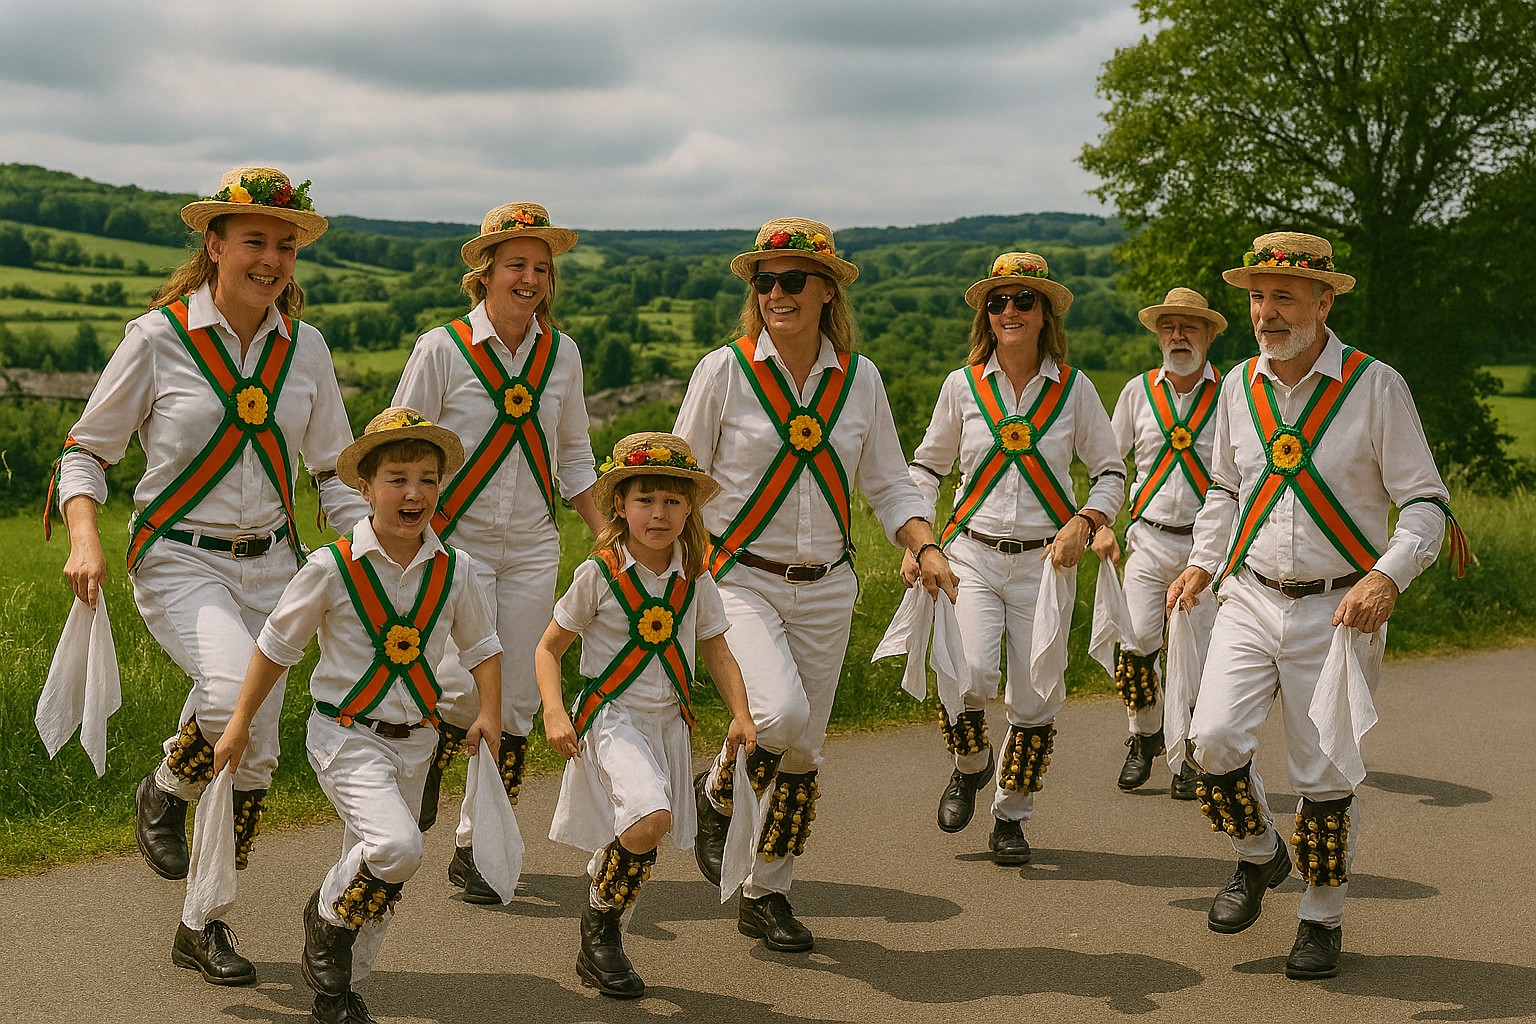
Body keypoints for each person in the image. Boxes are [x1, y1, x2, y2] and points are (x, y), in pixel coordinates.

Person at [49, 166, 367, 985]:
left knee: (254, 759)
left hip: (277, 569)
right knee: (232, 698)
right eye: (254, 240)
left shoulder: (308, 349)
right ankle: (165, 785)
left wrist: (373, 544)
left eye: (284, 245)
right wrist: (84, 538)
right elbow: (86, 451)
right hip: (180, 558)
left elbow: (333, 472)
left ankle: (204, 920)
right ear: (215, 245)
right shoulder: (156, 338)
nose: (270, 258)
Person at [1166, 231, 1465, 980]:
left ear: (1324, 301)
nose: (1266, 312)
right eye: (1258, 297)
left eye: (1284, 297)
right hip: (1249, 596)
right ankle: (1260, 857)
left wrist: (1387, 576)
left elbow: (1426, 502)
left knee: (1324, 772)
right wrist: (1203, 565)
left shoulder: (1376, 386)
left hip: (1338, 611)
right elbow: (1227, 490)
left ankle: (1322, 917)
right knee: (1212, 743)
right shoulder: (1237, 385)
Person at [675, 217, 955, 952]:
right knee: (778, 715)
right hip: (738, 579)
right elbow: (683, 483)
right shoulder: (724, 372)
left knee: (804, 752)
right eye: (764, 280)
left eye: (793, 279)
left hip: (827, 587)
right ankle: (719, 793)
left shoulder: (860, 380)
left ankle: (767, 892)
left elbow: (891, 484)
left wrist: (923, 544)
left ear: (828, 290)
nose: (776, 292)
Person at [213, 407, 502, 1024]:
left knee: (381, 877)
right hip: (346, 737)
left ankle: (338, 994)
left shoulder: (457, 569)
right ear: (364, 488)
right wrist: (239, 720)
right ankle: (326, 914)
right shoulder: (330, 567)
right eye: (397, 478)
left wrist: (490, 715)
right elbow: (275, 647)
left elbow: (482, 648)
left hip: (419, 742)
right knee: (396, 848)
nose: (414, 492)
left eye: (428, 478)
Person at [392, 202, 605, 903]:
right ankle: (423, 766)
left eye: (542, 268)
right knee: (459, 686)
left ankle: (476, 848)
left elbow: (572, 454)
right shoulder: (442, 349)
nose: (531, 278)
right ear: (483, 272)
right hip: (456, 541)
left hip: (533, 545)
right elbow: (402, 442)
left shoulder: (562, 354)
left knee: (515, 702)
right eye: (516, 264)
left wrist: (605, 530)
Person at [905, 252, 1124, 865]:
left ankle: (1011, 816)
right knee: (968, 674)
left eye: (1023, 300)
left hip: (1046, 564)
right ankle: (971, 763)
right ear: (986, 315)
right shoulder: (962, 386)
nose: (1009, 311)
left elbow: (1110, 473)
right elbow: (927, 465)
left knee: (1034, 696)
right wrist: (919, 540)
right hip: (971, 554)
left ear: (1044, 312)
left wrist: (1086, 521)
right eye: (998, 301)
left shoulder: (1075, 390)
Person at [535, 432, 756, 998]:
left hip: (668, 723)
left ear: (689, 509)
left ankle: (600, 924)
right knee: (651, 818)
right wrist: (556, 711)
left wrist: (741, 713)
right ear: (620, 505)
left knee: (643, 827)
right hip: (612, 717)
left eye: (673, 501)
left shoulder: (695, 573)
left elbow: (716, 647)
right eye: (645, 500)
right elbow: (549, 647)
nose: (659, 514)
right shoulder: (598, 574)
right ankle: (602, 929)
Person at [1091, 288, 1226, 796]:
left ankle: (1186, 754)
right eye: (1169, 327)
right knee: (1137, 647)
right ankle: (1144, 736)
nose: (1178, 336)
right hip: (1146, 539)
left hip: (1206, 549)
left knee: (1197, 655)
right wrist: (1100, 523)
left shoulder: (1230, 396)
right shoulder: (1136, 392)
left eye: (1190, 327)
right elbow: (1108, 462)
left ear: (1209, 334)